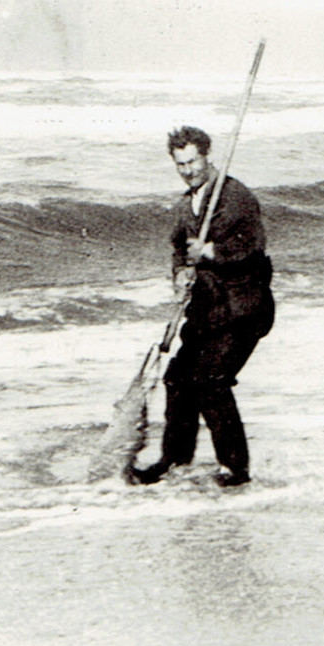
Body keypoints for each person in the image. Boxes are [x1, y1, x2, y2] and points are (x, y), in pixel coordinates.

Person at [126, 126, 273, 488]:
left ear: (207, 156)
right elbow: (179, 248)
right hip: (206, 309)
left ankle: (235, 468)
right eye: (180, 164)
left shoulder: (235, 196)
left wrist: (211, 252)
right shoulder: (185, 205)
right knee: (178, 376)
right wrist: (179, 273)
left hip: (243, 308)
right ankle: (175, 458)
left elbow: (252, 247)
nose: (188, 170)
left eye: (193, 161)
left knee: (211, 381)